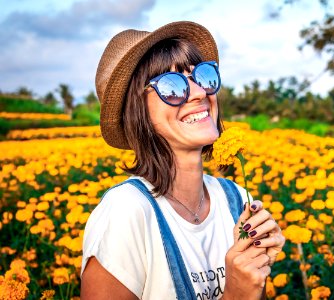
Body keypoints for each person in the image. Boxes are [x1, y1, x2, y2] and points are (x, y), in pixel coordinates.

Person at [80, 21, 285, 300]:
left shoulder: (236, 198)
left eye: (202, 76)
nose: (200, 93)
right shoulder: (126, 212)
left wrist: (254, 275)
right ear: (137, 113)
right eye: (171, 85)